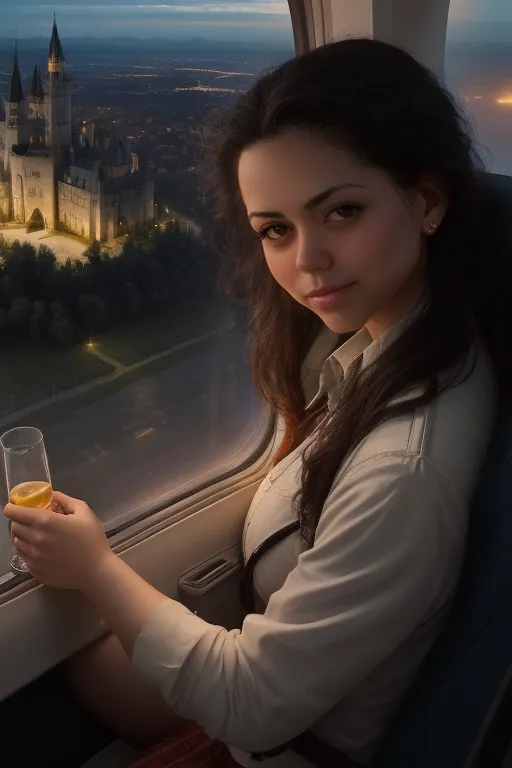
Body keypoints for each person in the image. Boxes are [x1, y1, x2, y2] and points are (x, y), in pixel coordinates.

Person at [5, 38, 510, 768]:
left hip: (284, 746)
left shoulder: (406, 467)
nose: (305, 262)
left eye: (341, 211)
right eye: (274, 228)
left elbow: (254, 704)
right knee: (63, 655)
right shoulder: (387, 355)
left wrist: (94, 568)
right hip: (276, 690)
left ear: (427, 201)